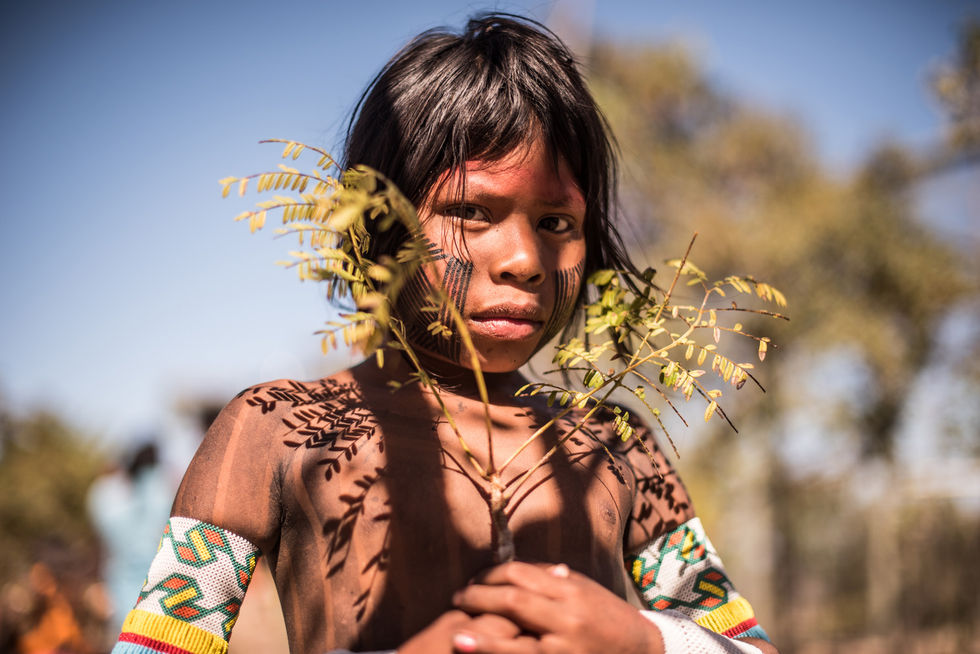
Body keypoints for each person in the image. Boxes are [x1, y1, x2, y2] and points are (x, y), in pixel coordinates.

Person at [110, 14, 778, 654]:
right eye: (471, 211)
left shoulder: (617, 445)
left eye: (556, 223)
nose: (524, 260)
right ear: (376, 227)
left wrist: (643, 641)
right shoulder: (273, 428)